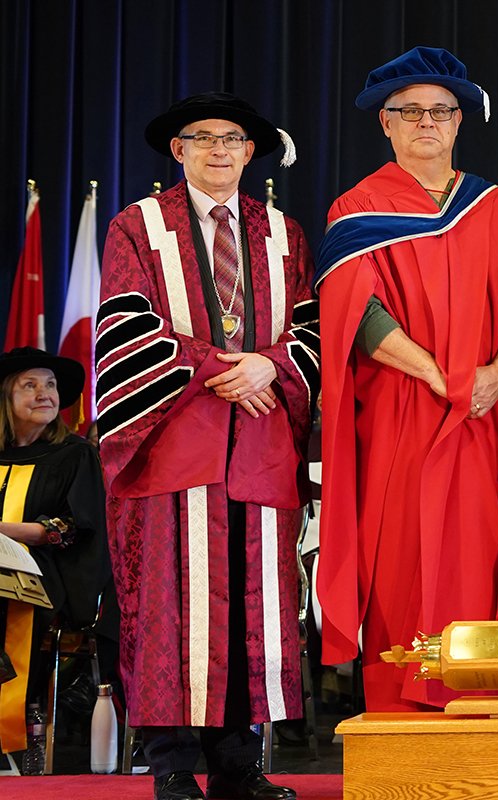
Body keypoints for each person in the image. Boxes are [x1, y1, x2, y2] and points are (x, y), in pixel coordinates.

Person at [99, 92, 318, 800]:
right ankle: (169, 772)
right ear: (178, 150)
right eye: (203, 139)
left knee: (248, 612)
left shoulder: (282, 232)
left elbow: (313, 328)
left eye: (233, 139)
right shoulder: (138, 227)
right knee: (170, 612)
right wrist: (225, 367)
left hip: (258, 444)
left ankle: (236, 768)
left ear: (252, 153)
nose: (219, 150)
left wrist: (274, 365)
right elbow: (127, 323)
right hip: (172, 443)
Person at [315, 46, 498, 710]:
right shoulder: (354, 212)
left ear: (460, 121)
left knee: (482, 550)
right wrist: (440, 376)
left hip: (484, 409)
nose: (426, 122)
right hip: (399, 413)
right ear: (383, 123)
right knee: (401, 555)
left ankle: (484, 705)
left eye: (441, 111)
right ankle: (399, 708)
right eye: (409, 111)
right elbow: (356, 316)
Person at [0, 349, 110, 758]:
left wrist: (5, 534)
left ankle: (18, 718)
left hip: (54, 575)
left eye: (50, 385)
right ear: (5, 399)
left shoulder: (74, 455)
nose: (45, 393)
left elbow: (73, 528)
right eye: (29, 385)